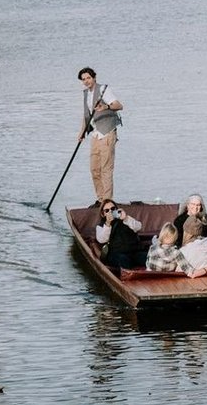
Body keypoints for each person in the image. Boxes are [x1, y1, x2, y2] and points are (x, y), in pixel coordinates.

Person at [77, 67, 123, 202]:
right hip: (96, 134)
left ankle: (108, 202)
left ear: (94, 77)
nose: (86, 81)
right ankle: (101, 199)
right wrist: (81, 133)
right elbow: (86, 116)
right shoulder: (86, 93)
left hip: (107, 133)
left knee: (106, 169)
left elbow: (119, 105)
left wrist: (106, 107)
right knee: (94, 169)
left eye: (88, 78)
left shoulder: (104, 90)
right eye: (83, 79)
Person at [95, 200, 146, 274]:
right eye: (107, 210)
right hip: (117, 254)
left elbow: (138, 227)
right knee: (123, 260)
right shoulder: (101, 226)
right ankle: (128, 280)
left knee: (148, 257)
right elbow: (102, 239)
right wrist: (108, 224)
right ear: (103, 214)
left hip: (134, 251)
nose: (110, 212)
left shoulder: (125, 219)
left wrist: (126, 219)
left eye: (112, 209)